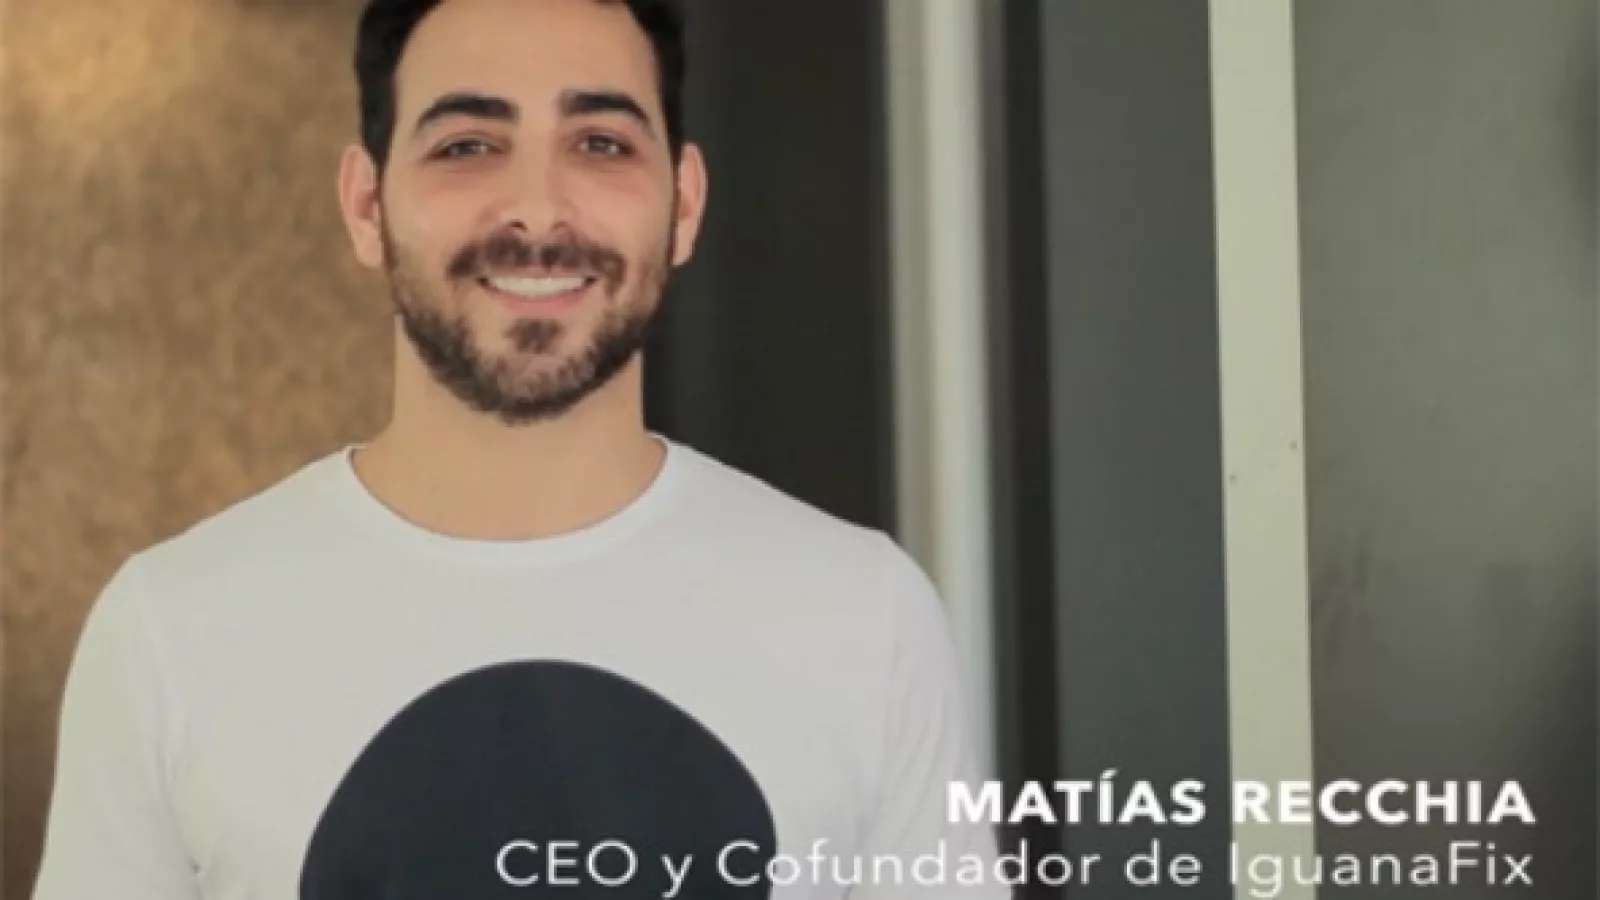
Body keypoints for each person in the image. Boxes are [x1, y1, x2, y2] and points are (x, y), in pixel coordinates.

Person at [32, 0, 1004, 896]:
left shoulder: (864, 615)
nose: (537, 211)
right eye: (467, 145)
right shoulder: (170, 631)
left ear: (684, 204)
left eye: (600, 142)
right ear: (366, 206)